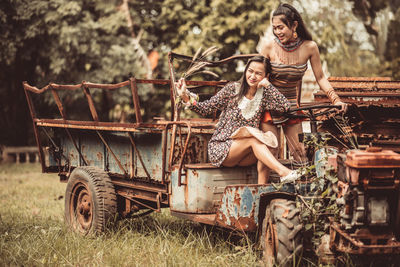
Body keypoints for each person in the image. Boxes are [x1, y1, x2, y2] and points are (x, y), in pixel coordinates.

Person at [175, 55, 301, 184]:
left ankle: (261, 190)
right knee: (254, 140)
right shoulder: (232, 89)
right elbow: (206, 108)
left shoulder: (264, 95)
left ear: (266, 76)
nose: (252, 76)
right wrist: (185, 97)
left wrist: (269, 85)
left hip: (245, 153)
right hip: (222, 147)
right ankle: (284, 173)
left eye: (258, 74)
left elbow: (285, 106)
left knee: (269, 144)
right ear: (245, 71)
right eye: (250, 71)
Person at [259, 3, 347, 164]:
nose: (277, 32)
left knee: (300, 153)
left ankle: (302, 187)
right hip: (269, 107)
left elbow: (320, 78)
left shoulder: (310, 47)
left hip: (291, 106)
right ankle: (268, 188)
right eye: (275, 28)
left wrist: (336, 100)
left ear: (294, 25)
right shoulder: (268, 47)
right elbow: (257, 76)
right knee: (271, 152)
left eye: (281, 27)